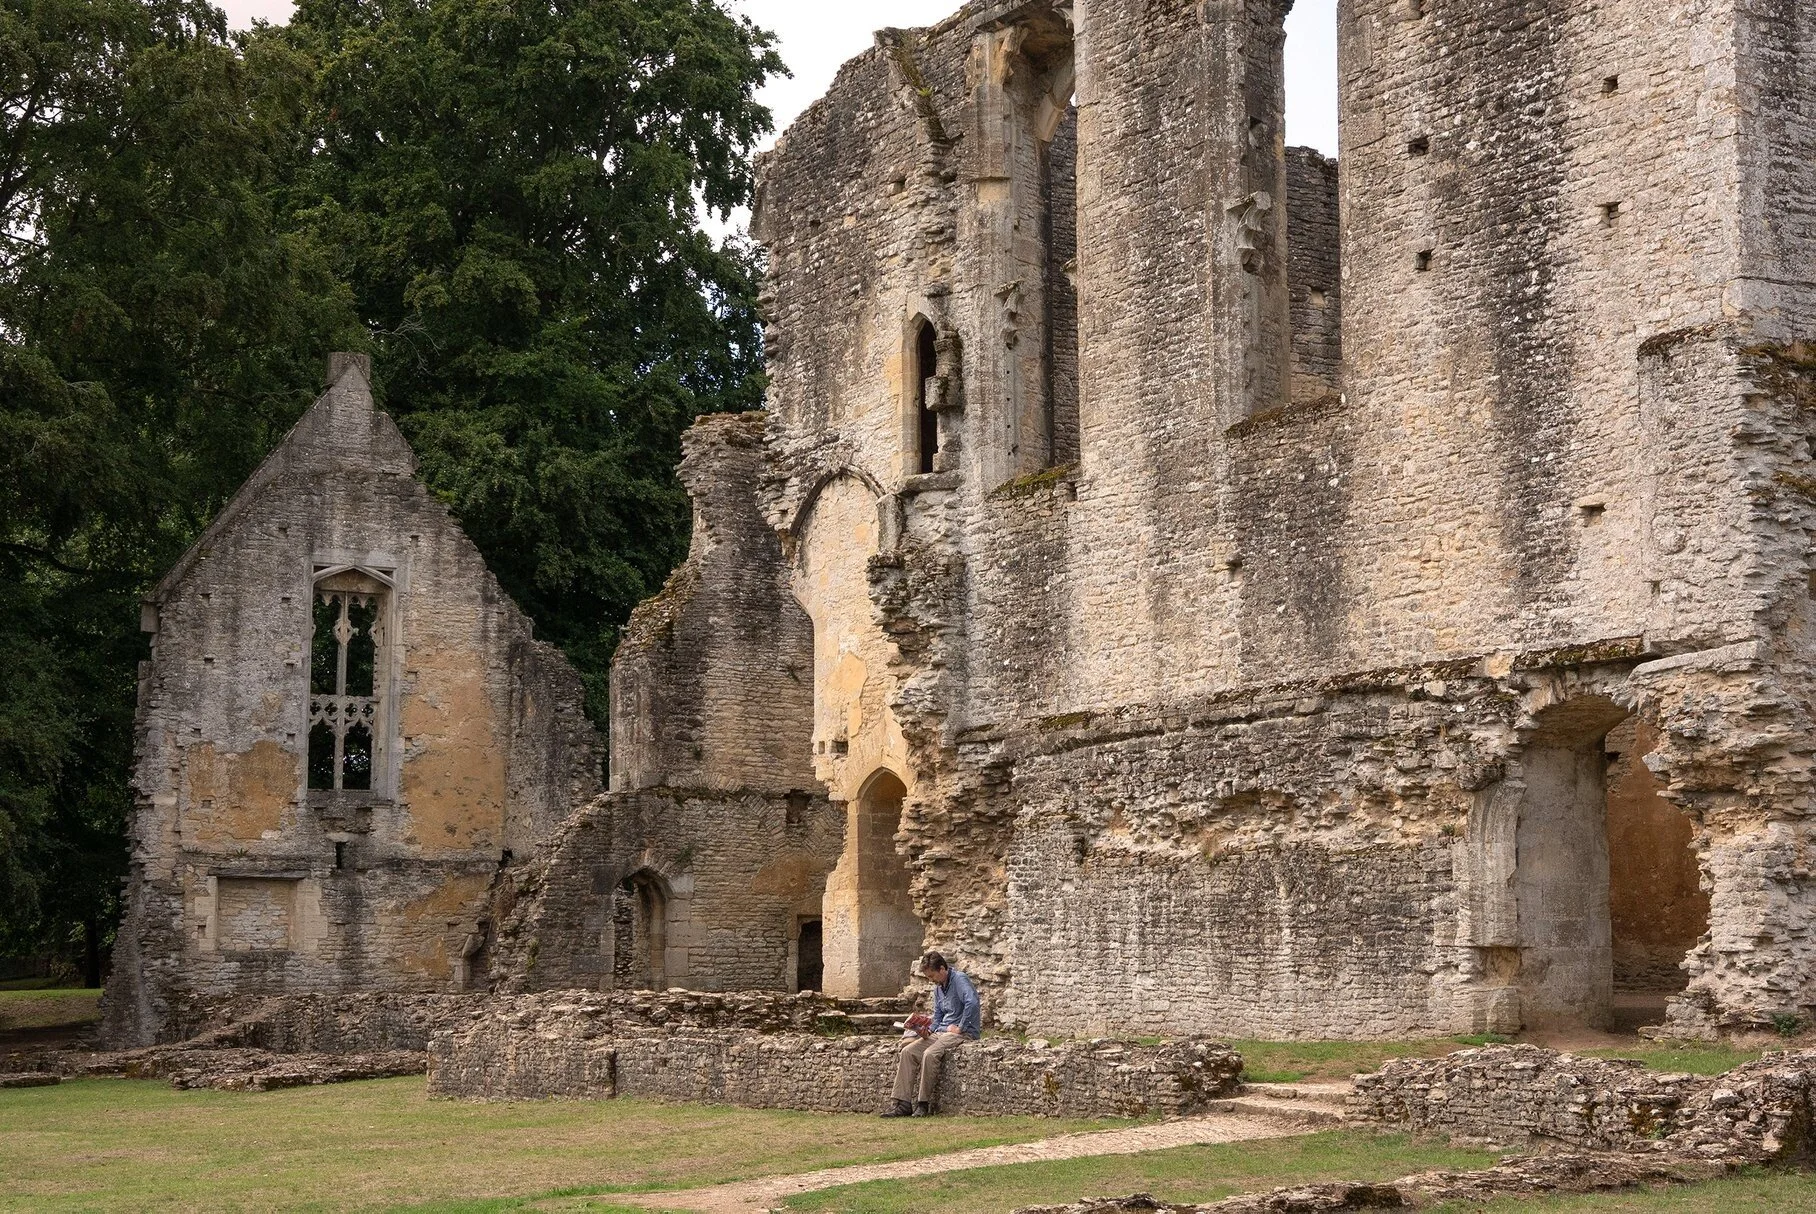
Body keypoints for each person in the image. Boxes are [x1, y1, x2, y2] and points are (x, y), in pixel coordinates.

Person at [882, 951, 980, 1117]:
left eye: (932, 976)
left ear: (942, 969)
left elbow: (972, 1002)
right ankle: (903, 1103)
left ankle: (923, 1103)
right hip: (941, 1032)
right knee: (908, 1052)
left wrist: (961, 1027)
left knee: (930, 1054)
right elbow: (939, 1016)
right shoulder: (938, 989)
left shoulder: (960, 979)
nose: (931, 980)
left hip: (960, 1033)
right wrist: (925, 1030)